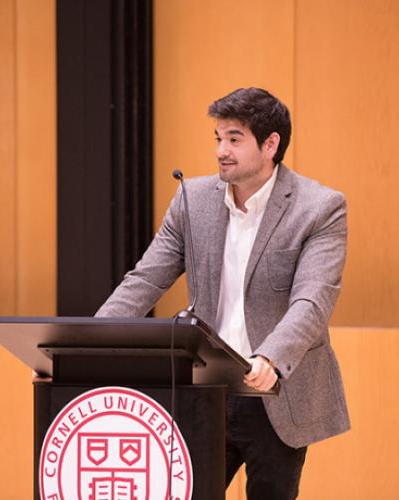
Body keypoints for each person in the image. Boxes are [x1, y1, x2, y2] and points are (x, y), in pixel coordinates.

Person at [96, 87, 350, 499]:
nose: (221, 151)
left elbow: (312, 300)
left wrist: (272, 356)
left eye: (234, 139)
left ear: (271, 144)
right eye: (218, 138)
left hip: (274, 391)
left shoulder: (319, 208)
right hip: (206, 388)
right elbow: (144, 281)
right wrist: (86, 347)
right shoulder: (191, 201)